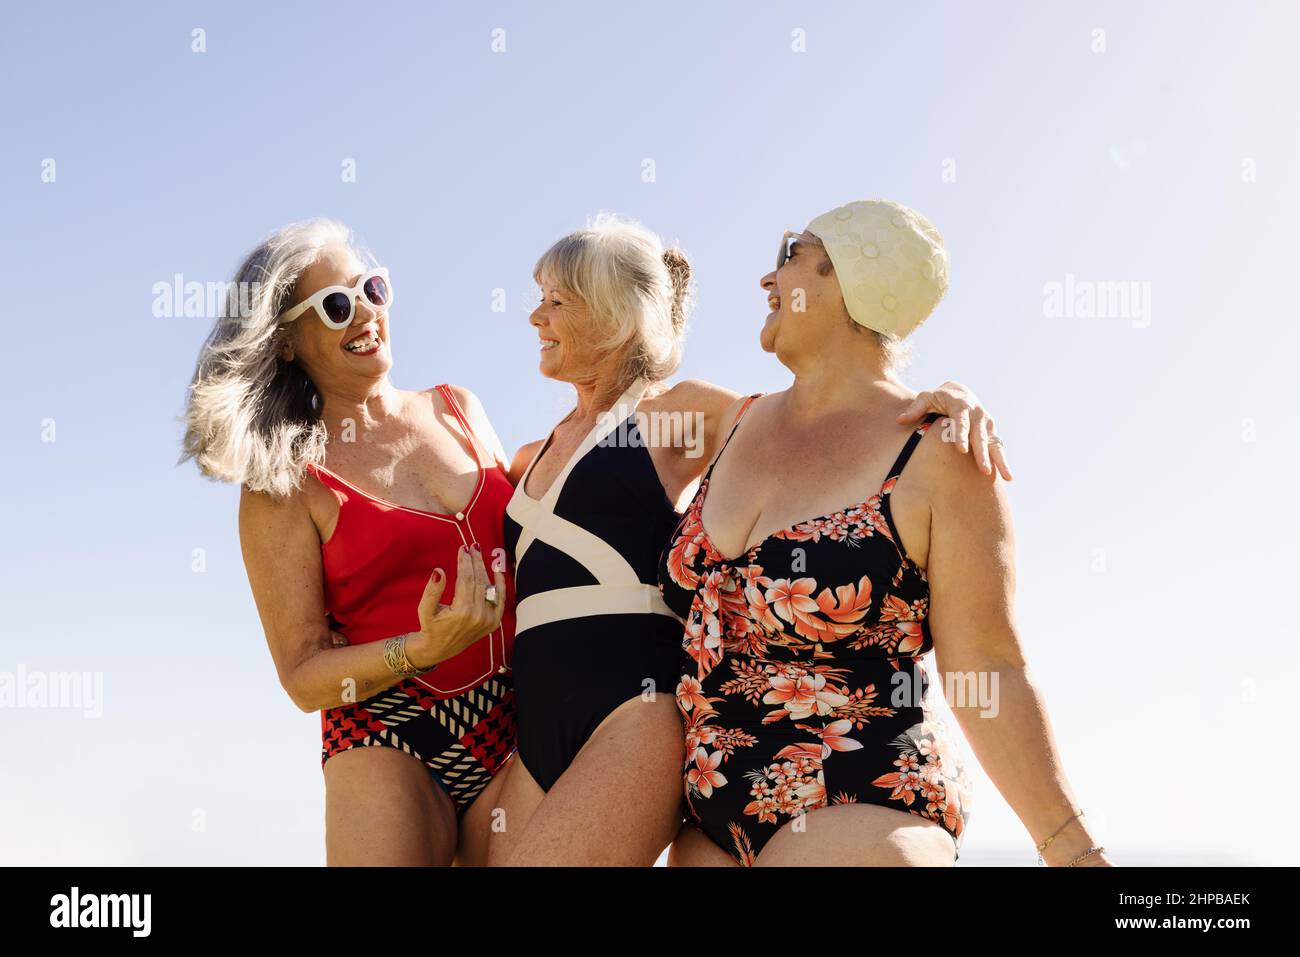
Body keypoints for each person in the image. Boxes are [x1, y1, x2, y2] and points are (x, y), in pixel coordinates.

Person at [489, 212, 1010, 865]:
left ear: (612, 310)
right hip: (539, 726)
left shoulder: (674, 413)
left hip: (634, 710)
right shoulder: (525, 458)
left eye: (555, 300)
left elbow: (812, 425)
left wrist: (944, 397)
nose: (536, 317)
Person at [659, 200, 1110, 867]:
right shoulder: (719, 420)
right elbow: (569, 457)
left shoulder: (939, 455)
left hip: (862, 800)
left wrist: (1074, 852)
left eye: (792, 253)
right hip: (704, 820)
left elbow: (989, 665)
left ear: (848, 280)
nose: (767, 277)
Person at [182, 219, 515, 866]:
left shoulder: (460, 408)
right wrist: (419, 648)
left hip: (519, 714)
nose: (365, 312)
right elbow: (304, 675)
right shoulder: (281, 482)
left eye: (373, 288)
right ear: (285, 343)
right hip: (387, 730)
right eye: (336, 305)